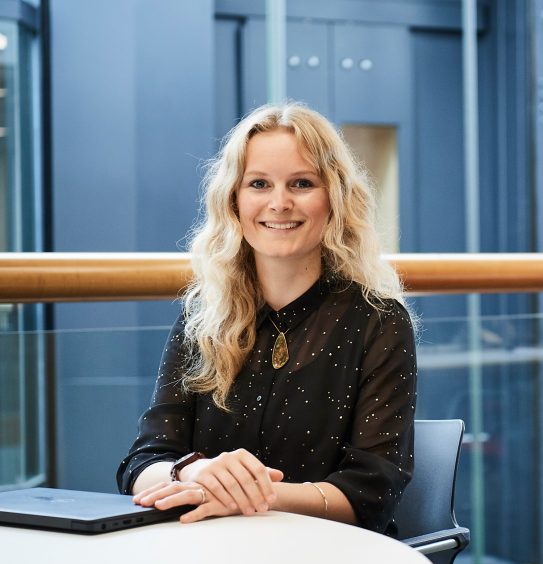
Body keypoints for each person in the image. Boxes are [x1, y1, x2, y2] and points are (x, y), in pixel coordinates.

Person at [116, 103, 417, 536]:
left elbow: (371, 494)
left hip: (332, 563)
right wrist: (191, 475)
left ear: (333, 197)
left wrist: (247, 493)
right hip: (209, 560)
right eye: (259, 183)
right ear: (234, 200)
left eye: (302, 183)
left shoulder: (380, 321)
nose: (279, 203)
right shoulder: (203, 317)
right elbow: (142, 462)